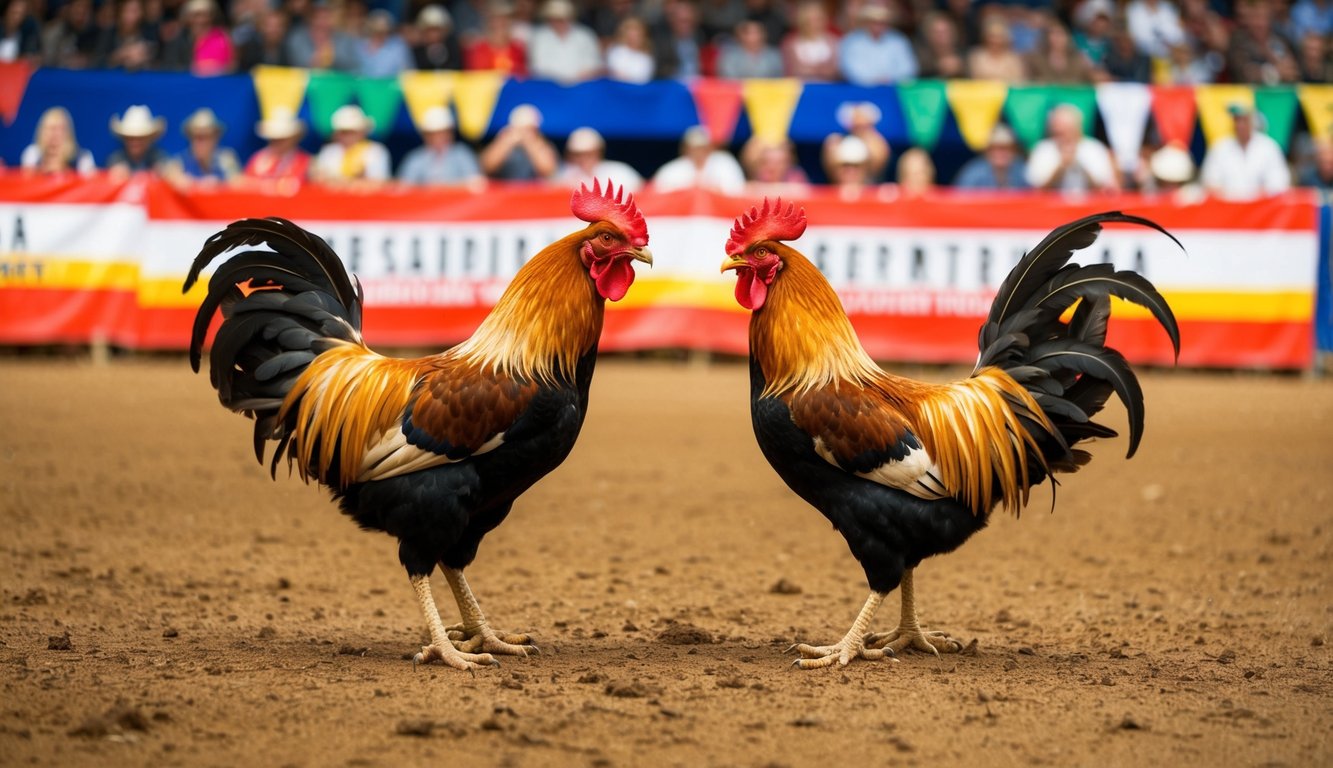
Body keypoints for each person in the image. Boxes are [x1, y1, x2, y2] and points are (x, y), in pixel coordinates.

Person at [1199, 103, 1291, 199]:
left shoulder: (1269, 148)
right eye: (1237, 120)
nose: (1240, 125)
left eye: (1244, 120)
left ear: (1253, 122)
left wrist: (1251, 199)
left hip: (1262, 209)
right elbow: (1210, 182)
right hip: (1228, 209)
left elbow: (1279, 183)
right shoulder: (1220, 148)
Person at [1025, 104, 1119, 193]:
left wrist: (1079, 164)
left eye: (1066, 127)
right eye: (1057, 126)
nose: (1061, 130)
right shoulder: (1043, 149)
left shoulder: (1094, 149)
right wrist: (1061, 167)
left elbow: (1105, 188)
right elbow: (1036, 189)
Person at [397, 106, 484, 187]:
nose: (437, 137)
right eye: (432, 134)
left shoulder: (462, 154)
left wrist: (443, 188)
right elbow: (403, 188)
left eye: (442, 132)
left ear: (450, 133)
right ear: (424, 135)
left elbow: (476, 184)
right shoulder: (415, 158)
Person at [838, 2, 917, 85]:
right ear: (867, 21)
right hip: (861, 91)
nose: (878, 26)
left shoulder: (899, 41)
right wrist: (873, 81)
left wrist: (889, 79)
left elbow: (908, 69)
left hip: (893, 90)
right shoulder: (852, 42)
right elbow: (850, 70)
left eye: (882, 22)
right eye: (874, 21)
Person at [652, 125, 746, 195]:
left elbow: (738, 191)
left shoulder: (725, 163)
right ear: (685, 149)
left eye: (703, 148)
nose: (699, 152)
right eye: (694, 148)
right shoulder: (671, 170)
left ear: (710, 148)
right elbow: (660, 193)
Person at [312, 104, 391, 186]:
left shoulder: (375, 151)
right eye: (343, 132)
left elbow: (379, 183)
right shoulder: (328, 151)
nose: (347, 136)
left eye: (351, 132)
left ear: (362, 132)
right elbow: (319, 181)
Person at [164, 107, 241, 188]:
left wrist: (217, 185)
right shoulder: (180, 163)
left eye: (205, 136)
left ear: (215, 138)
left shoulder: (226, 159)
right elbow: (169, 176)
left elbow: (237, 184)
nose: (200, 142)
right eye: (195, 136)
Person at [478, 104, 559, 181]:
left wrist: (530, 143)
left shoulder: (541, 145)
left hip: (534, 191)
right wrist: (506, 141)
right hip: (506, 190)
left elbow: (548, 171)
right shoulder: (504, 141)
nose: (524, 133)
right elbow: (487, 167)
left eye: (530, 130)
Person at [527, 0, 601, 83]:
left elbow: (594, 64)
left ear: (571, 18)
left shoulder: (586, 35)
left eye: (562, 18)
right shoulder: (539, 37)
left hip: (581, 85)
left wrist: (575, 79)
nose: (559, 23)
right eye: (555, 19)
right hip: (549, 87)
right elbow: (537, 67)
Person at [242, 107, 311, 191]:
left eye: (283, 139)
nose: (277, 142)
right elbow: (244, 183)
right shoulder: (258, 158)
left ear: (294, 138)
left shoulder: (304, 161)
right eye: (274, 139)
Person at [556, 127, 644, 192]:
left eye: (589, 154)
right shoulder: (565, 177)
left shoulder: (620, 172)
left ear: (599, 151)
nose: (583, 158)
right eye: (577, 154)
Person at [160, 0, 235, 75]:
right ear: (187, 18)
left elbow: (231, 66)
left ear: (212, 17)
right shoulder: (177, 39)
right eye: (195, 15)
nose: (200, 20)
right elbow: (170, 67)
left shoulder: (221, 37)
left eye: (205, 15)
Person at [821, 102, 890, 183]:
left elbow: (879, 161)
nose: (851, 171)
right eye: (846, 166)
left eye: (856, 166)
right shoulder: (836, 142)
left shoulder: (876, 145)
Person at [20, 107, 96, 176]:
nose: (54, 135)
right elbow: (26, 182)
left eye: (59, 129)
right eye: (50, 129)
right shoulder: (33, 155)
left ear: (68, 133)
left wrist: (64, 170)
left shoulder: (83, 159)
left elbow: (91, 185)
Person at [287, 1, 361, 71]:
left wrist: (333, 59)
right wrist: (313, 62)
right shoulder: (297, 37)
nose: (322, 22)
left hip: (335, 82)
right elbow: (292, 63)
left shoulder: (344, 39)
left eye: (327, 17)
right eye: (318, 17)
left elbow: (354, 66)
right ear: (311, 19)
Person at [952, 124, 1029, 190]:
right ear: (987, 151)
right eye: (996, 148)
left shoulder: (1022, 171)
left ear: (1014, 151)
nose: (1001, 153)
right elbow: (959, 200)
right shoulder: (973, 173)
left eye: (1006, 148)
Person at [781, 0, 839, 80]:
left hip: (828, 88)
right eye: (810, 20)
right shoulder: (790, 44)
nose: (814, 24)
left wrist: (809, 70)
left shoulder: (834, 42)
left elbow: (835, 70)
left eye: (818, 19)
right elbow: (791, 71)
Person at [107, 104, 169, 179]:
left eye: (140, 138)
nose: (135, 142)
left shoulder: (160, 157)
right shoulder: (115, 159)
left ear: (149, 139)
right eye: (130, 138)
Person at [465, 1, 527, 75]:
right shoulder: (478, 49)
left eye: (505, 19)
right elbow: (474, 78)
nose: (500, 23)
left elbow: (523, 77)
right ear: (489, 22)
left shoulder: (518, 49)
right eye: (496, 19)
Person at [94, 0, 158, 71]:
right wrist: (120, 54)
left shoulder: (149, 32)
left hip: (142, 79)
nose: (130, 16)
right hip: (112, 79)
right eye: (126, 10)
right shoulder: (109, 33)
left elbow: (158, 62)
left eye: (134, 11)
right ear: (120, 12)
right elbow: (96, 62)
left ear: (141, 13)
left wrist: (143, 58)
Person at [1027, 19, 1095, 83]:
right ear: (1046, 37)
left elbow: (1088, 79)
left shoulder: (1078, 59)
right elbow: (1029, 81)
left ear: (1067, 37)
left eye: (1060, 34)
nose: (1056, 38)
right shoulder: (1036, 59)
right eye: (1052, 34)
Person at [741, 136, 810, 196]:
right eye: (766, 162)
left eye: (778, 163)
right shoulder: (755, 181)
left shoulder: (796, 177)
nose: (772, 167)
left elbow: (804, 193)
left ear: (788, 162)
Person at [652, 0, 705, 78]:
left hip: (697, 84)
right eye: (682, 21)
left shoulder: (700, 37)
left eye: (689, 21)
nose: (686, 25)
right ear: (672, 21)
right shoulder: (662, 42)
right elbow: (660, 69)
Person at [717, 18, 783, 78]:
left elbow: (778, 78)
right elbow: (727, 78)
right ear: (741, 35)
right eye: (749, 33)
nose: (753, 36)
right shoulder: (729, 55)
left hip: (768, 90)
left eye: (757, 32)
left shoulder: (774, 54)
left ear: (763, 34)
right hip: (737, 90)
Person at [968, 15, 1026, 83]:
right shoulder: (976, 56)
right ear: (985, 36)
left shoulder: (1013, 58)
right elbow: (975, 79)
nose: (995, 40)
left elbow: (1018, 81)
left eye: (999, 36)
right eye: (992, 36)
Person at [357, 9, 412, 77]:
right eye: (376, 32)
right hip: (364, 85)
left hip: (392, 86)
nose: (380, 36)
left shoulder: (398, 47)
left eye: (384, 32)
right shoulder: (359, 45)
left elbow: (408, 73)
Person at [914, 10, 966, 79]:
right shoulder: (920, 60)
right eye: (937, 33)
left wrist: (962, 68)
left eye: (945, 31)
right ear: (928, 35)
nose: (942, 37)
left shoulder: (965, 56)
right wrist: (938, 69)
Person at [605, 16, 655, 84]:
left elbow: (644, 79)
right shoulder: (616, 51)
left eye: (636, 31)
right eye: (630, 31)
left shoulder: (646, 57)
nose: (633, 36)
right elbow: (614, 73)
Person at [412, 4, 463, 70]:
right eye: (430, 30)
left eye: (437, 30)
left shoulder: (453, 47)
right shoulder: (417, 51)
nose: (433, 35)